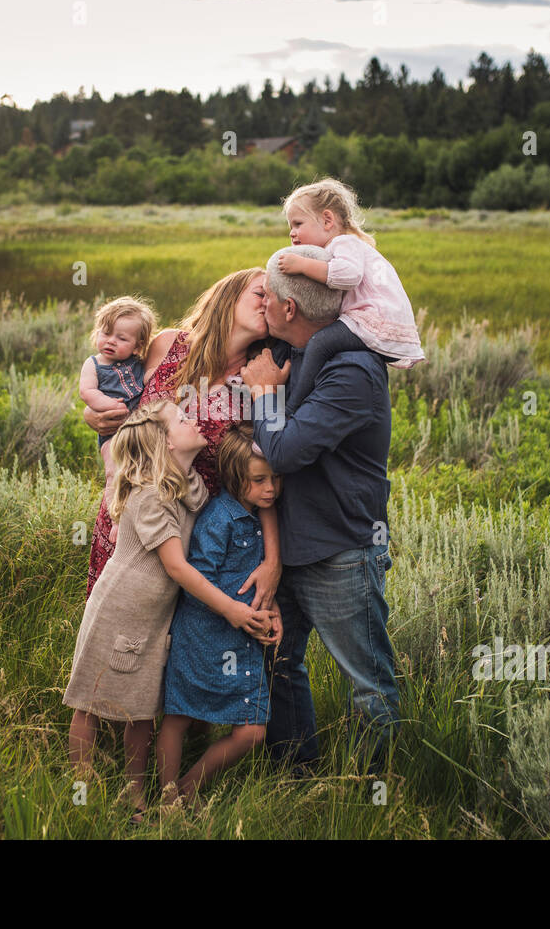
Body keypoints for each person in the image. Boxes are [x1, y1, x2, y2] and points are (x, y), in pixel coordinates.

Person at [239, 242, 400, 773]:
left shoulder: (351, 371)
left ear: (291, 310)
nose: (264, 307)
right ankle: (296, 771)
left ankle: (372, 788)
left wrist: (264, 396)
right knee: (279, 663)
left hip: (341, 551)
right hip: (288, 546)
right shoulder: (297, 350)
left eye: (271, 300)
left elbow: (284, 451)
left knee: (367, 681)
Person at [64, 400, 237, 821]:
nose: (192, 418)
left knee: (141, 710)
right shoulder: (150, 495)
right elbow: (176, 566)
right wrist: (229, 608)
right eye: (181, 419)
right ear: (163, 442)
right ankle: (80, 792)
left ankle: (133, 795)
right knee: (90, 699)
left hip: (153, 616)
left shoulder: (185, 484)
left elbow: (197, 501)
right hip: (120, 609)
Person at [83, 270, 283, 622]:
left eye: (275, 297)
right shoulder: (168, 345)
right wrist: (93, 412)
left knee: (166, 645)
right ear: (229, 295)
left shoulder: (258, 379)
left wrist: (272, 560)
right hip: (126, 514)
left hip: (193, 536)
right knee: (109, 627)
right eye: (259, 294)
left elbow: (262, 470)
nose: (269, 302)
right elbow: (119, 398)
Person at [156, 425, 283, 808]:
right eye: (259, 480)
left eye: (274, 478)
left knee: (253, 730)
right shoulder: (218, 519)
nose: (271, 488)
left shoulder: (258, 517)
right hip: (203, 634)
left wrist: (269, 611)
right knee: (179, 715)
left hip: (241, 637)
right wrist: (238, 612)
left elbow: (258, 580)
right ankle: (167, 799)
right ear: (233, 477)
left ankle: (189, 786)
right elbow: (199, 579)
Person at [275, 177, 425, 416]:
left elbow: (348, 275)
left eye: (298, 223)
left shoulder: (344, 243)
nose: (292, 233)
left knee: (319, 343)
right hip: (368, 317)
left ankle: (292, 410)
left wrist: (302, 265)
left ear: (327, 220)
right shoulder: (338, 247)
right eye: (290, 226)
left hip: (372, 319)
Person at [78, 296, 156, 510]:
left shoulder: (139, 362)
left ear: (137, 346)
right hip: (112, 432)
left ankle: (136, 511)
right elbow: (87, 392)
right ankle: (115, 518)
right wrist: (108, 405)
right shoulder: (93, 364)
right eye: (106, 333)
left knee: (140, 472)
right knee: (114, 472)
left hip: (140, 431)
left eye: (121, 338)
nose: (111, 341)